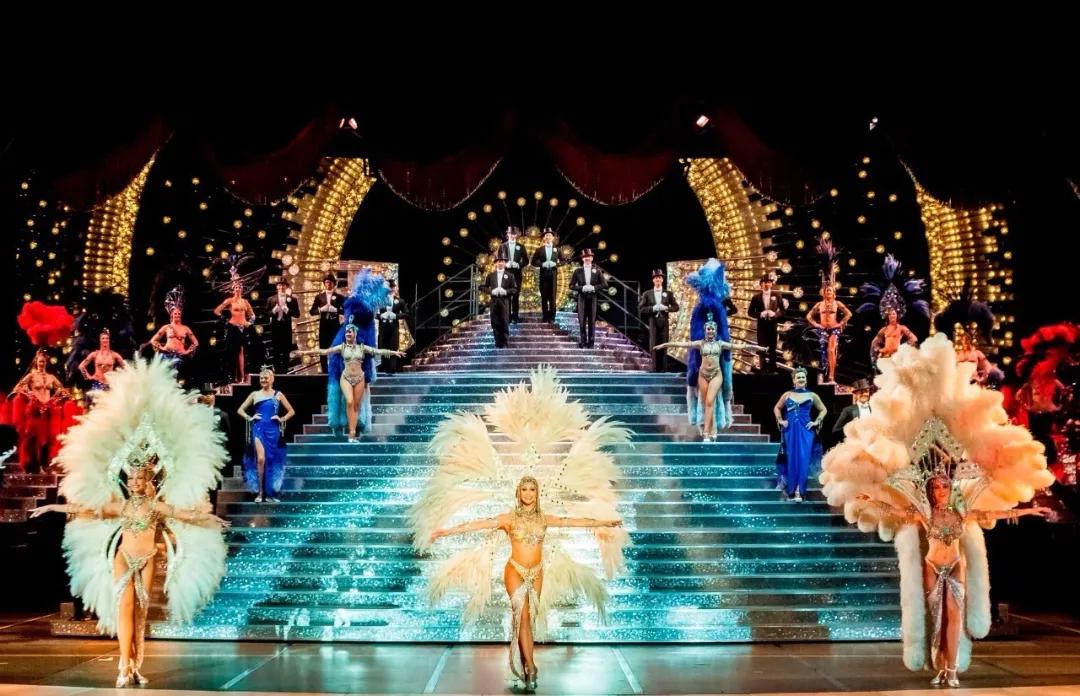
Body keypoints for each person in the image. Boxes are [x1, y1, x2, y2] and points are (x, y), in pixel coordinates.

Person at [28, 357, 229, 688]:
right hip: (124, 557)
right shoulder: (120, 505)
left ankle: (136, 665)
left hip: (147, 558)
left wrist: (212, 519)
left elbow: (185, 514)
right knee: (124, 607)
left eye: (139, 478)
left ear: (147, 480)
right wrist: (51, 506)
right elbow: (85, 510)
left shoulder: (157, 505)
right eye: (131, 478)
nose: (134, 482)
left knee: (140, 612)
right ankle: (123, 665)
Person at [428, 476, 621, 689]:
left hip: (537, 572)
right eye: (524, 489)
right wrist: (446, 532)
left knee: (528, 620)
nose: (528, 493)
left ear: (537, 493)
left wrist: (604, 523)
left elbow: (574, 522)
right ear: (518, 493)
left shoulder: (544, 519)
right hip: (514, 571)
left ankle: (528, 667)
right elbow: (478, 524)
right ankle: (530, 666)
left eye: (532, 489)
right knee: (521, 616)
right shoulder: (508, 519)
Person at [655, 319, 766, 442]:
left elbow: (739, 346)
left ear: (715, 331)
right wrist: (665, 345)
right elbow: (682, 344)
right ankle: (712, 431)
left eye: (713, 329)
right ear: (705, 330)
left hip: (716, 375)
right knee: (706, 403)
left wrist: (757, 347)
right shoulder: (700, 343)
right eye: (708, 329)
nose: (710, 331)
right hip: (703, 375)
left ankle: (707, 433)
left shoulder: (720, 344)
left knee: (709, 401)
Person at [295, 323, 404, 442]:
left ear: (355, 334)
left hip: (360, 378)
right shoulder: (342, 347)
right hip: (346, 378)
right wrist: (304, 353)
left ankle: (352, 433)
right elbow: (325, 351)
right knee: (350, 401)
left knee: (356, 406)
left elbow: (377, 351)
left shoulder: (362, 348)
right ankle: (351, 432)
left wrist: (394, 353)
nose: (347, 333)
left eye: (350, 332)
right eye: (346, 332)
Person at [236, 367, 295, 502]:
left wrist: (281, 419)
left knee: (271, 460)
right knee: (261, 459)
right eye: (261, 378)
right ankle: (260, 493)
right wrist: (250, 418)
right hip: (259, 428)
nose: (263, 380)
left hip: (273, 430)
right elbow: (240, 410)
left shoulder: (278, 394)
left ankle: (269, 494)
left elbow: (291, 411)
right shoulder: (254, 394)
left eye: (266, 378)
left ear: (272, 379)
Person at [772, 367, 826, 501]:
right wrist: (780, 420)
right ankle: (791, 490)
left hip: (806, 430)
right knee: (791, 459)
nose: (801, 379)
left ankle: (799, 491)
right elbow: (777, 407)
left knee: (803, 459)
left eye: (803, 377)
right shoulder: (787, 395)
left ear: (806, 380)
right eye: (798, 377)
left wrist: (816, 421)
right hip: (790, 430)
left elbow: (823, 409)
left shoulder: (812, 395)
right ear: (794, 380)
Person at [214, 281, 259, 384]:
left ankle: (241, 377)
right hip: (233, 327)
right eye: (236, 287)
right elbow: (217, 311)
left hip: (243, 328)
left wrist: (250, 322)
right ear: (233, 289)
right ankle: (233, 377)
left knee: (242, 351)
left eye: (239, 287)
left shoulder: (245, 301)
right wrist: (225, 320)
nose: (238, 289)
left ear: (242, 289)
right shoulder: (229, 300)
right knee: (233, 352)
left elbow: (252, 315)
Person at [806, 284, 852, 384]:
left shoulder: (837, 303)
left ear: (833, 293)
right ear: (824, 293)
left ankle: (831, 376)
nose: (828, 292)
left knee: (831, 350)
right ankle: (823, 373)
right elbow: (809, 316)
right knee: (822, 352)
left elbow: (849, 314)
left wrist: (841, 323)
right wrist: (816, 324)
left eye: (830, 290)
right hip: (823, 330)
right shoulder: (819, 304)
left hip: (834, 329)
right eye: (827, 290)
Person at [638, 269, 679, 372]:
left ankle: (664, 369)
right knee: (653, 344)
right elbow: (641, 309)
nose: (658, 279)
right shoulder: (647, 293)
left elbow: (676, 307)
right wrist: (652, 308)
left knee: (664, 344)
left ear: (662, 280)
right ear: (653, 280)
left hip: (664, 321)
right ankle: (654, 368)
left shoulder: (668, 293)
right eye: (656, 278)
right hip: (653, 321)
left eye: (660, 278)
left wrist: (666, 308)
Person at [569, 249, 607, 348]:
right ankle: (583, 341)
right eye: (585, 257)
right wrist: (582, 288)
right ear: (582, 259)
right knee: (582, 321)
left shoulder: (597, 271)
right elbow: (571, 285)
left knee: (592, 321)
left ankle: (591, 342)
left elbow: (604, 284)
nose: (587, 259)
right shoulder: (577, 271)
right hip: (582, 298)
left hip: (593, 298)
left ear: (592, 258)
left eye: (589, 257)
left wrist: (594, 288)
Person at [748, 273, 786, 373]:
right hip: (761, 327)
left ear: (771, 284)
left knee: (773, 349)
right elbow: (750, 312)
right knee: (762, 349)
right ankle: (763, 370)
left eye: (769, 282)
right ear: (761, 284)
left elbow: (783, 311)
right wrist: (760, 314)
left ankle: (773, 370)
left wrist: (775, 314)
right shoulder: (756, 297)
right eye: (764, 282)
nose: (766, 284)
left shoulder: (777, 296)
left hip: (772, 327)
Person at [308, 274, 344, 372]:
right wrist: (320, 310)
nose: (328, 284)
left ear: (334, 284)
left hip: (335, 325)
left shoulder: (340, 297)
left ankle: (336, 370)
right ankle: (324, 371)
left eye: (331, 282)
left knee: (336, 347)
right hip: (323, 325)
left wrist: (336, 310)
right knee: (323, 348)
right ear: (324, 283)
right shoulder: (319, 296)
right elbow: (312, 311)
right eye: (327, 282)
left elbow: (345, 310)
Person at [266, 278, 300, 374]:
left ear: (286, 286)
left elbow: (297, 314)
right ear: (277, 286)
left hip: (286, 327)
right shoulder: (271, 299)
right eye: (280, 285)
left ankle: (285, 372)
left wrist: (287, 310)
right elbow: (266, 314)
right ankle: (277, 372)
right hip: (275, 327)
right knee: (275, 350)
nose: (281, 287)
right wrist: (273, 311)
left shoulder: (292, 299)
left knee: (286, 350)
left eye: (283, 285)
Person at [484, 253, 517, 348]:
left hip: (504, 301)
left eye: (502, 261)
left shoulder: (510, 275)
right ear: (495, 263)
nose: (500, 263)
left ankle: (505, 342)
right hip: (494, 301)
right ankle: (497, 342)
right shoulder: (491, 275)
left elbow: (514, 289)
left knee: (504, 321)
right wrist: (491, 291)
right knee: (495, 322)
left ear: (505, 263)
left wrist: (505, 291)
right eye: (499, 261)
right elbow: (483, 287)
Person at [498, 227, 528, 323]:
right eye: (510, 233)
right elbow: (498, 260)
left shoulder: (521, 246)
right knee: (506, 295)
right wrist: (505, 264)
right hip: (505, 274)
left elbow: (526, 261)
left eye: (514, 234)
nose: (512, 235)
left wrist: (518, 264)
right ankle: (507, 317)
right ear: (508, 234)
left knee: (515, 295)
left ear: (516, 235)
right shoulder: (502, 246)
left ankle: (515, 316)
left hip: (517, 274)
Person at [378, 279, 409, 374]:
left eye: (392, 287)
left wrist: (395, 316)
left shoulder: (399, 301)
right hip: (383, 328)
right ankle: (384, 369)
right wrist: (381, 316)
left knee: (393, 347)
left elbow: (407, 314)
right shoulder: (380, 300)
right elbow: (373, 313)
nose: (390, 289)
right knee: (383, 348)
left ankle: (392, 369)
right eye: (388, 287)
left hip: (394, 328)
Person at [530, 228, 560, 323]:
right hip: (543, 275)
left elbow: (564, 261)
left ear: (553, 237)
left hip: (553, 275)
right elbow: (533, 262)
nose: (548, 237)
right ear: (544, 238)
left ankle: (552, 317)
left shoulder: (557, 249)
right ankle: (545, 316)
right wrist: (542, 264)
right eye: (546, 235)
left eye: (550, 235)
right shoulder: (539, 250)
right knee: (544, 297)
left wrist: (556, 264)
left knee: (552, 297)